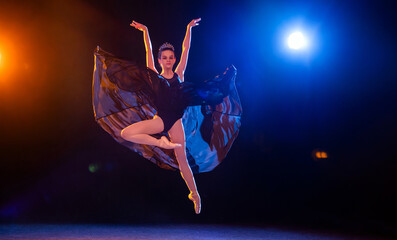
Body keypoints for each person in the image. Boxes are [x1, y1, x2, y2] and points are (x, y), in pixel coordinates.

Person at [92, 18, 242, 215]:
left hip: (176, 121)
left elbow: (186, 49)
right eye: (165, 57)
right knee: (126, 132)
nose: (169, 60)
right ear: (160, 60)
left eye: (171, 57)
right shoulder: (154, 74)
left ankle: (195, 194)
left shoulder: (179, 74)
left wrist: (188, 29)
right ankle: (161, 143)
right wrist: (145, 31)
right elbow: (148, 51)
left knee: (182, 160)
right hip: (161, 119)